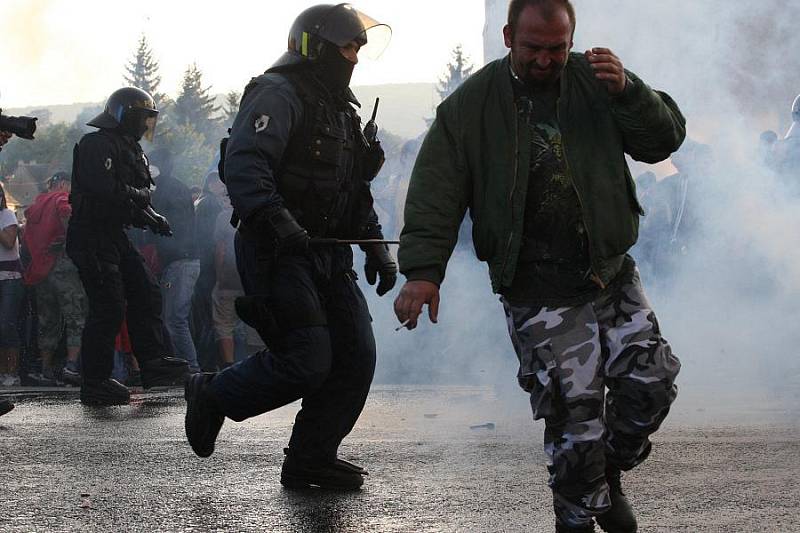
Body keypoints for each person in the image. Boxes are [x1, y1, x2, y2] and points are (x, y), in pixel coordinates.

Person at [394, 1, 684, 531]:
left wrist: (630, 92)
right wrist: (421, 272)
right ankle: (575, 517)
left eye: (558, 48)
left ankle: (605, 473)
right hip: (537, 284)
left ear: (572, 38)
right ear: (508, 37)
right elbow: (435, 192)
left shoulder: (599, 81)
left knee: (651, 383)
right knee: (575, 417)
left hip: (608, 271)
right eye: (534, 49)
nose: (547, 60)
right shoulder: (470, 108)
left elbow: (663, 141)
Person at [184, 3, 396, 491]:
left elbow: (351, 190)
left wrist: (375, 249)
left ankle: (310, 460)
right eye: (348, 47)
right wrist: (280, 222)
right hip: (275, 251)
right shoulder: (276, 94)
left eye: (359, 49)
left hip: (328, 254)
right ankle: (213, 393)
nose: (355, 58)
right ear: (315, 46)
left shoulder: (342, 109)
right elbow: (245, 166)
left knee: (356, 356)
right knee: (306, 359)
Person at [66, 87, 190, 406]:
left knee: (146, 291)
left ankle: (152, 363)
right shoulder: (97, 144)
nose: (146, 125)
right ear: (124, 116)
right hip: (90, 234)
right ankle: (95, 382)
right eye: (142, 118)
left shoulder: (131, 149)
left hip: (113, 234)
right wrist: (141, 202)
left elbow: (136, 194)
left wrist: (153, 218)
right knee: (107, 306)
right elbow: (105, 189)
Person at [22, 172, 86, 385]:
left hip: (41, 270)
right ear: (63, 183)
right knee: (75, 316)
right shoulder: (61, 198)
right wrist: (72, 240)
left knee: (48, 320)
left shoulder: (35, 206)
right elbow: (67, 215)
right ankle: (71, 366)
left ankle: (46, 369)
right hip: (62, 266)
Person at [148, 148, 201, 372]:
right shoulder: (175, 187)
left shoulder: (166, 190)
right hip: (183, 262)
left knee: (174, 319)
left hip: (180, 262)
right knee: (175, 318)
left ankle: (191, 369)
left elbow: (160, 224)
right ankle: (187, 367)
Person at [0, 183, 23, 387]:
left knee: (7, 324)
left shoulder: (7, 215)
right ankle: (2, 371)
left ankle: (12, 371)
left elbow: (9, 242)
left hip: (9, 277)